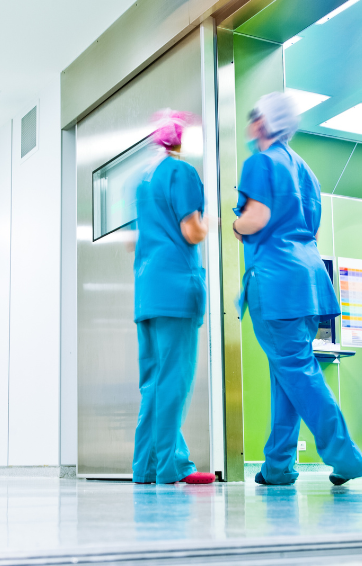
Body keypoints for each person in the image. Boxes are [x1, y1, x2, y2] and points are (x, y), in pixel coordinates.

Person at [233, 92, 362, 486]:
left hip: (276, 284)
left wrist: (236, 224)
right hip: (308, 282)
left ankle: (345, 457)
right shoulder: (305, 170)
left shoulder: (260, 162)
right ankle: (277, 466)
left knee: (298, 372)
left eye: (253, 117)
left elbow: (256, 218)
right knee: (287, 374)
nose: (249, 124)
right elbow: (310, 227)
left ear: (263, 123)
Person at [130, 109, 215, 485]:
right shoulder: (181, 172)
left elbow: (137, 239)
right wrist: (219, 222)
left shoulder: (143, 182)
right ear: (180, 139)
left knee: (153, 381)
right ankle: (170, 467)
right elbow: (192, 230)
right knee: (174, 381)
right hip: (176, 290)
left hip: (147, 291)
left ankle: (146, 467)